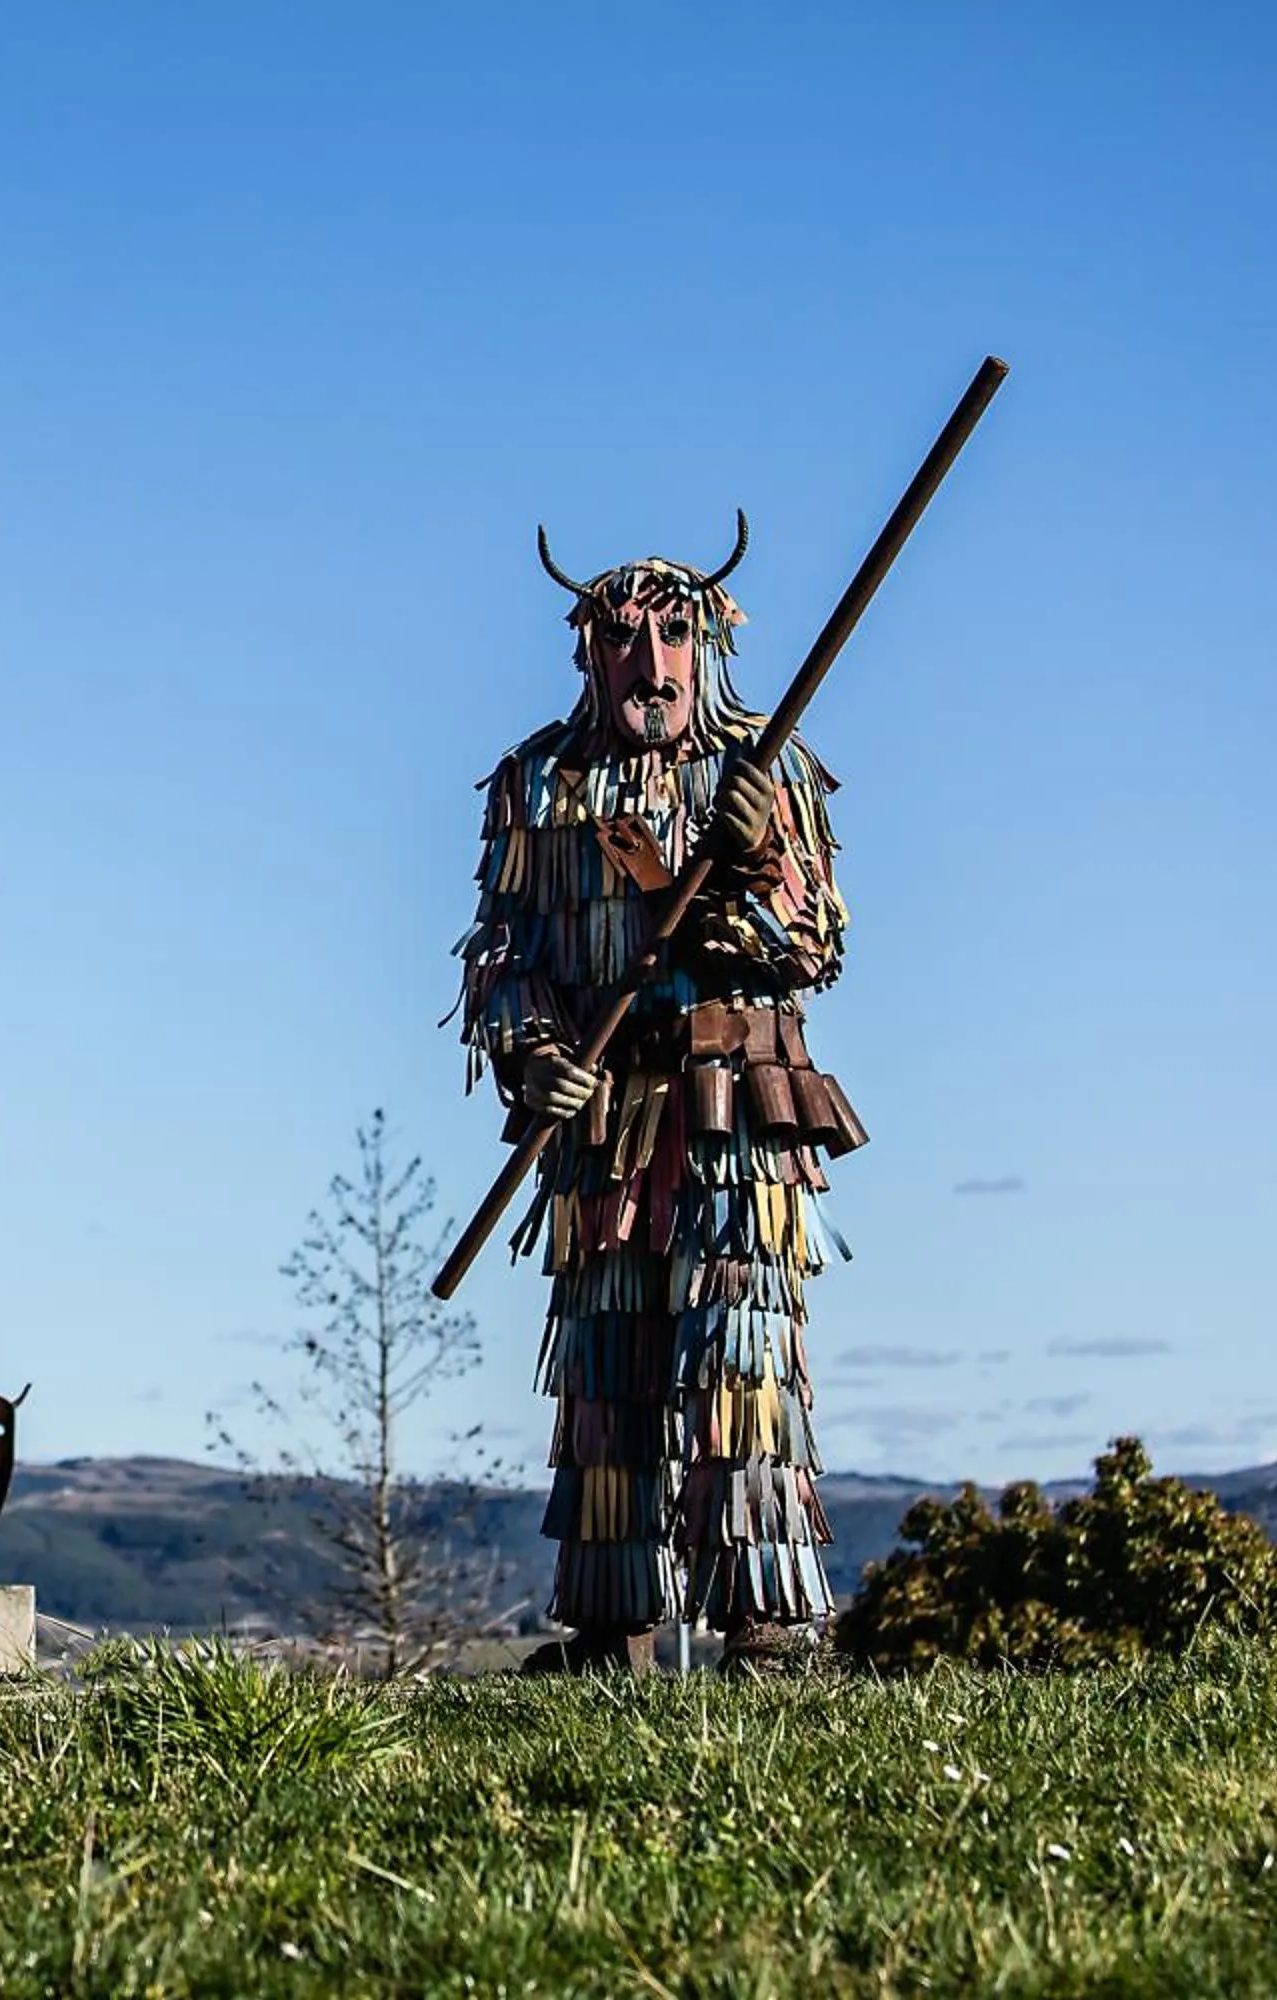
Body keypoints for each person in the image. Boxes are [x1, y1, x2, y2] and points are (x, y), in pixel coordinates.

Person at [453, 515, 867, 1673]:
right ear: (587, 651)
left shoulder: (771, 770)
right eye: (625, 640)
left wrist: (753, 864)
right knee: (607, 1360)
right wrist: (533, 1049)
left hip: (741, 1099)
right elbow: (501, 952)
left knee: (742, 1355)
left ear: (711, 644)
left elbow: (815, 945)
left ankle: (768, 1623)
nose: (652, 664)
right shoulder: (538, 784)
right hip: (605, 1112)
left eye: (675, 634)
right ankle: (608, 1618)